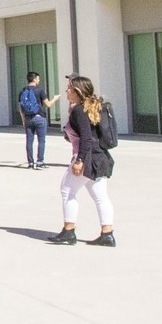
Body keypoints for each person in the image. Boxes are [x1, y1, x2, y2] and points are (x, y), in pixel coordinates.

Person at [48, 74, 114, 246]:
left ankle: (68, 231)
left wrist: (80, 161)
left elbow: (86, 138)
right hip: (100, 157)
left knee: (67, 191)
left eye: (69, 87)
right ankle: (107, 234)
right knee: (101, 197)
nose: (66, 90)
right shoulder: (90, 107)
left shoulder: (79, 110)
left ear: (77, 91)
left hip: (88, 158)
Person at [18, 71, 59, 170]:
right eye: (38, 78)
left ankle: (30, 163)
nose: (39, 80)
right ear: (34, 79)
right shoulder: (39, 90)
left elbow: (21, 108)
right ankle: (40, 162)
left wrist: (23, 120)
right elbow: (48, 104)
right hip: (39, 117)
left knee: (29, 141)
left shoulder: (23, 91)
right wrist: (55, 99)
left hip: (28, 118)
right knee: (41, 141)